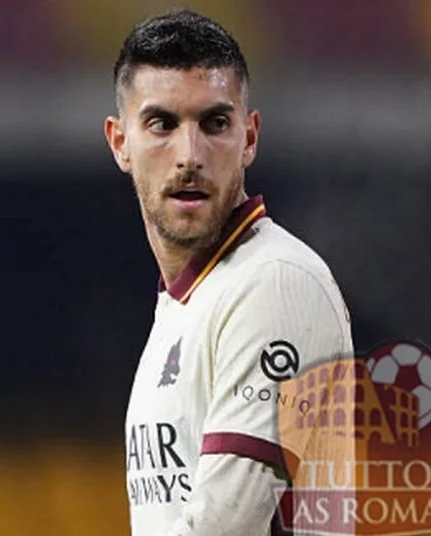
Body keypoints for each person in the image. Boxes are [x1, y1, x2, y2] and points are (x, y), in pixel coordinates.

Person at [104, 9, 354, 536]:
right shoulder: (184, 304)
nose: (189, 155)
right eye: (162, 124)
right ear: (120, 142)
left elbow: (225, 526)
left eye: (214, 123)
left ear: (250, 136)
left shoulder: (275, 282)